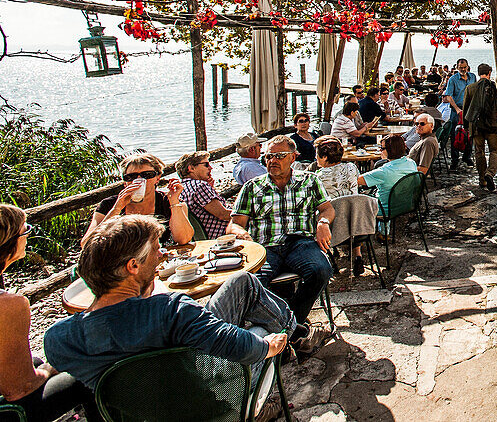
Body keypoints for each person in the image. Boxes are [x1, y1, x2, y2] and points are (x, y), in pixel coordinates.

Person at [44, 215, 321, 422]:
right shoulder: (171, 310)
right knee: (261, 330)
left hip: (139, 411)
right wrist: (270, 347)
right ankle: (280, 361)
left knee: (242, 282)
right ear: (133, 266)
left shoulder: (59, 340)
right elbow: (245, 349)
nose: (163, 255)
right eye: (156, 249)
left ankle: (294, 331)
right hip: (210, 403)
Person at [0, 204, 98, 422]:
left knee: (33, 360)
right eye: (26, 231)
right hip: (10, 412)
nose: (27, 237)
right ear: (10, 241)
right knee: (87, 372)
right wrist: (50, 368)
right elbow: (18, 389)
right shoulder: (10, 305)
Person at [231, 136, 335, 326]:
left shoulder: (309, 181)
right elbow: (235, 223)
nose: (272, 161)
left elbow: (327, 209)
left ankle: (288, 324)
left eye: (279, 156)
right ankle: (290, 328)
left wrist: (323, 223)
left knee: (322, 270)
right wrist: (242, 234)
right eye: (269, 156)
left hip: (300, 243)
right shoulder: (252, 187)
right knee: (252, 283)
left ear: (293, 158)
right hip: (265, 247)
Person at [82, 153, 193, 247]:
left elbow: (183, 239)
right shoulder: (109, 204)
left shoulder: (167, 201)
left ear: (157, 178)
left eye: (147, 175)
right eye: (131, 177)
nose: (139, 180)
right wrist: (117, 209)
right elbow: (87, 244)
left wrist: (174, 202)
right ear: (125, 182)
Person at [312, 137, 370, 276]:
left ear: (324, 157)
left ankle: (328, 258)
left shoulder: (318, 177)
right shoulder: (351, 167)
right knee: (350, 206)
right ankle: (357, 256)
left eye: (317, 155)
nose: (316, 158)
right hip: (357, 223)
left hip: (334, 226)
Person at [177, 151, 249, 241]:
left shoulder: (181, 188)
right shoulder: (199, 186)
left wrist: (211, 189)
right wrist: (249, 213)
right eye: (206, 165)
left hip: (200, 236)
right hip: (222, 235)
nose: (210, 168)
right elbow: (223, 214)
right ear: (191, 168)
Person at [462, 64, 497, 191]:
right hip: (492, 125)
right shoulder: (495, 87)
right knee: (495, 151)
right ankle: (490, 173)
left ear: (478, 73)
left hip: (476, 126)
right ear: (490, 72)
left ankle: (482, 180)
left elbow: (466, 109)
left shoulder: (470, 88)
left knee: (479, 152)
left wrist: (466, 126)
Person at [361, 135, 419, 217]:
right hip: (406, 206)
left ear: (390, 150)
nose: (380, 150)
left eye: (382, 148)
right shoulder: (411, 162)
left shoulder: (384, 172)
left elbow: (356, 180)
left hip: (385, 210)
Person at [442, 58, 477, 169]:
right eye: (460, 68)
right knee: (455, 135)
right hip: (456, 110)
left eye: (464, 67)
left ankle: (467, 157)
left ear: (467, 66)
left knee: (469, 134)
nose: (463, 69)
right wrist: (457, 109)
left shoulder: (473, 77)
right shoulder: (453, 79)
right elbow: (448, 96)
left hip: (469, 110)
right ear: (457, 67)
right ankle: (455, 160)